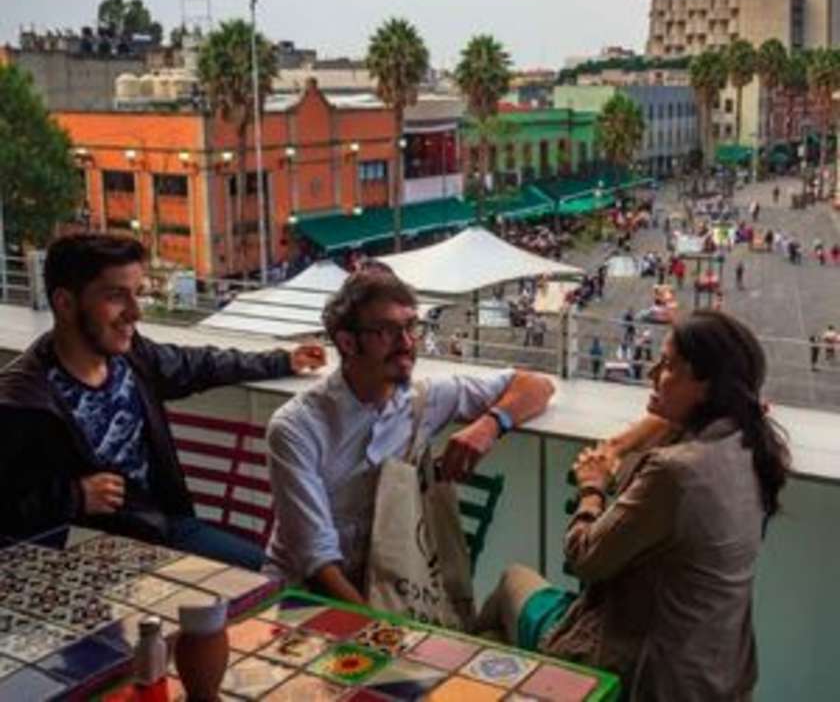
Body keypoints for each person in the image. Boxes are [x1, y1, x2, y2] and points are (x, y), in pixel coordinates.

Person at [478, 310, 790, 701]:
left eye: (668, 366)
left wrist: (592, 487)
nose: (652, 374)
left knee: (511, 583)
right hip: (720, 673)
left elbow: (585, 559)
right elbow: (665, 418)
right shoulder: (751, 444)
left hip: (647, 676)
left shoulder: (675, 472)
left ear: (707, 387)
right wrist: (618, 448)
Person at [0, 234, 326, 569]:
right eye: (116, 296)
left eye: (136, 294)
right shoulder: (22, 400)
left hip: (164, 531)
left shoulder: (131, 357)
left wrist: (283, 362)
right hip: (84, 559)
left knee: (281, 583)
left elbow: (198, 364)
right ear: (65, 303)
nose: (135, 312)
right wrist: (74, 497)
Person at [264, 269, 554, 604]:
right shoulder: (296, 427)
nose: (406, 343)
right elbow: (317, 561)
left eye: (410, 327)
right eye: (386, 331)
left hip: (392, 587)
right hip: (304, 595)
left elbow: (538, 385)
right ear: (347, 342)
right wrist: (381, 631)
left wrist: (490, 425)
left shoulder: (422, 401)